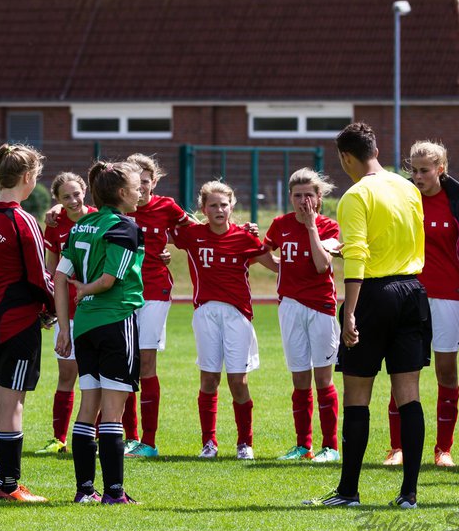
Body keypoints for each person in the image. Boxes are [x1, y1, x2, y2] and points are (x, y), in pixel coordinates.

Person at [306, 122, 428, 509]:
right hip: (412, 291)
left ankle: (349, 491)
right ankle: (409, 493)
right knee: (408, 396)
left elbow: (358, 255)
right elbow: (394, 238)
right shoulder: (407, 187)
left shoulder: (356, 195)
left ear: (346, 157)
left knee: (358, 397)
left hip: (373, 295)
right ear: (374, 149)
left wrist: (350, 312)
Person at [0, 143, 55, 502]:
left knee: (0, 402)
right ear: (28, 177)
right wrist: (55, 309)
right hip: (15, 323)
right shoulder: (22, 219)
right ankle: (9, 486)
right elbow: (39, 275)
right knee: (13, 404)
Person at [55, 161, 145, 503]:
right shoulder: (124, 227)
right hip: (115, 320)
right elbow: (109, 281)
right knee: (112, 412)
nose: (140, 193)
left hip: (85, 327)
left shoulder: (80, 227)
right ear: (122, 194)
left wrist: (65, 328)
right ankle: (114, 493)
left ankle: (84, 491)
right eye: (136, 188)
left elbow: (60, 278)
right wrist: (88, 289)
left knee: (87, 406)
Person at [174, 181, 275, 460]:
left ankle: (245, 443)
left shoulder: (244, 238)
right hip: (205, 312)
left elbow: (276, 265)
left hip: (237, 314)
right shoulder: (192, 235)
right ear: (203, 208)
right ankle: (209, 443)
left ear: (232, 206)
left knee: (238, 381)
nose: (220, 209)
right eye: (213, 205)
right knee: (208, 379)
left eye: (224, 204)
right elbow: (158, 231)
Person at [393, 141, 459, 468]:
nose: (417, 176)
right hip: (408, 291)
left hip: (450, 295)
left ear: (441, 169)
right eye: (412, 170)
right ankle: (397, 448)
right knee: (403, 368)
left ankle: (443, 449)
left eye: (424, 170)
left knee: (446, 370)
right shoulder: (403, 198)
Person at [264, 168, 341, 462]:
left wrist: (311, 227)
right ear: (290, 198)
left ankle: (330, 447)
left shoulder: (329, 226)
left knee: (323, 379)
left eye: (309, 195)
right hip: (290, 306)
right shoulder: (280, 224)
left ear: (319, 198)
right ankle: (302, 445)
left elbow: (323, 265)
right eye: (297, 196)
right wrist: (280, 268)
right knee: (299, 379)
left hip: (320, 306)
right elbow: (261, 251)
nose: (303, 201)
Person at [125, 154, 193, 458]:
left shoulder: (166, 207)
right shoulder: (116, 208)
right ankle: (130, 437)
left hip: (154, 289)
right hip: (121, 292)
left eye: (145, 182)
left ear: (154, 181)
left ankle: (149, 442)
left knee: (146, 362)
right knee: (125, 363)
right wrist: (57, 210)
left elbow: (197, 230)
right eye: (134, 183)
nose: (140, 189)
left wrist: (237, 229)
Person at [36, 171, 96, 456]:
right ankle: (58, 438)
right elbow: (51, 267)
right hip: (67, 309)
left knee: (94, 376)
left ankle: (92, 437)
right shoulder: (55, 223)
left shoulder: (98, 218)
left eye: (76, 194)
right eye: (65, 197)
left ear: (85, 191)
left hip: (95, 308)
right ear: (56, 200)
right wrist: (48, 306)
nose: (73, 200)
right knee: (66, 375)